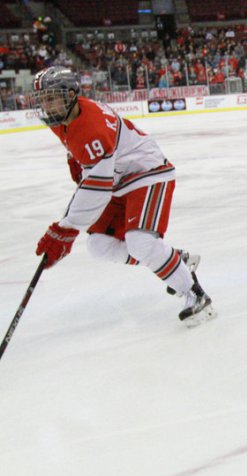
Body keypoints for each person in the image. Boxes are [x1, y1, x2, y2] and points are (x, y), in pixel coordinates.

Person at [30, 67, 216, 327]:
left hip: (148, 172)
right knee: (99, 246)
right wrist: (76, 159)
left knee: (140, 242)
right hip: (119, 179)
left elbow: (97, 186)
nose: (46, 105)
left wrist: (66, 229)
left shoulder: (90, 127)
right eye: (42, 99)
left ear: (70, 94)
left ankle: (194, 295)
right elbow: (93, 168)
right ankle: (173, 259)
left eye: (51, 98)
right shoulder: (63, 117)